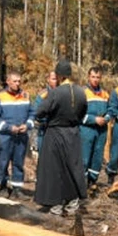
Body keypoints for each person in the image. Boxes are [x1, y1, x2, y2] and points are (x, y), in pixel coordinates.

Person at [34, 59, 87, 216]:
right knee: (72, 167)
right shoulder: (80, 92)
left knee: (53, 169)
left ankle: (55, 205)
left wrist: (47, 119)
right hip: (73, 133)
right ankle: (72, 203)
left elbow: (40, 112)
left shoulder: (55, 92)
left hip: (55, 134)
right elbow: (83, 112)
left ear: (58, 76)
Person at [0, 71, 34, 199]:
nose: (17, 84)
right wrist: (9, 128)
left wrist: (27, 125)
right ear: (8, 82)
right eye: (15, 81)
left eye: (19, 81)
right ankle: (3, 187)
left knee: (18, 162)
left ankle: (17, 188)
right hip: (6, 136)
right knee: (3, 162)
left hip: (21, 136)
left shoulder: (25, 96)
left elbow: (32, 114)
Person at [79, 65, 110, 193]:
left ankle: (93, 182)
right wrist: (93, 119)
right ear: (88, 77)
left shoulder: (105, 94)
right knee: (85, 158)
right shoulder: (82, 92)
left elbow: (110, 110)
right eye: (93, 77)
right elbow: (77, 114)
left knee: (97, 157)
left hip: (101, 130)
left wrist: (106, 118)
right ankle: (82, 185)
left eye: (98, 77)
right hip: (87, 130)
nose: (95, 80)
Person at [33, 70, 58, 154]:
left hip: (59, 132)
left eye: (57, 79)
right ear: (48, 80)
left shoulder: (64, 93)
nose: (56, 81)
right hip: (45, 130)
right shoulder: (42, 95)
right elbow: (36, 112)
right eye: (54, 79)